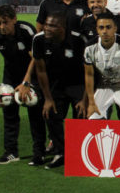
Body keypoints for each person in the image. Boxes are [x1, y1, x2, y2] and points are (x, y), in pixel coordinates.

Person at [0, 5, 45, 165]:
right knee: (9, 113)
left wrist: (26, 82)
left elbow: (35, 58)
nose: (1, 26)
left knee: (34, 112)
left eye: (5, 22)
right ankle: (11, 152)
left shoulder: (26, 30)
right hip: (10, 75)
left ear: (14, 19)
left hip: (32, 75)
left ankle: (39, 153)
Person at [32, 12, 87, 169]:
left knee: (81, 117)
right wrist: (48, 98)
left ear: (62, 28)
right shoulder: (39, 40)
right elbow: (41, 70)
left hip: (77, 84)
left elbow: (89, 71)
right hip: (55, 85)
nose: (47, 28)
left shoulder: (79, 40)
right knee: (51, 114)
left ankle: (79, 153)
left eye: (52, 26)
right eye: (46, 24)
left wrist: (85, 99)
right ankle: (60, 153)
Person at [84, 11, 120, 120]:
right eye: (101, 28)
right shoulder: (89, 48)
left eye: (108, 27)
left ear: (115, 28)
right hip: (103, 86)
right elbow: (89, 75)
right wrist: (91, 103)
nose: (105, 31)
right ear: (97, 29)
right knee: (93, 117)